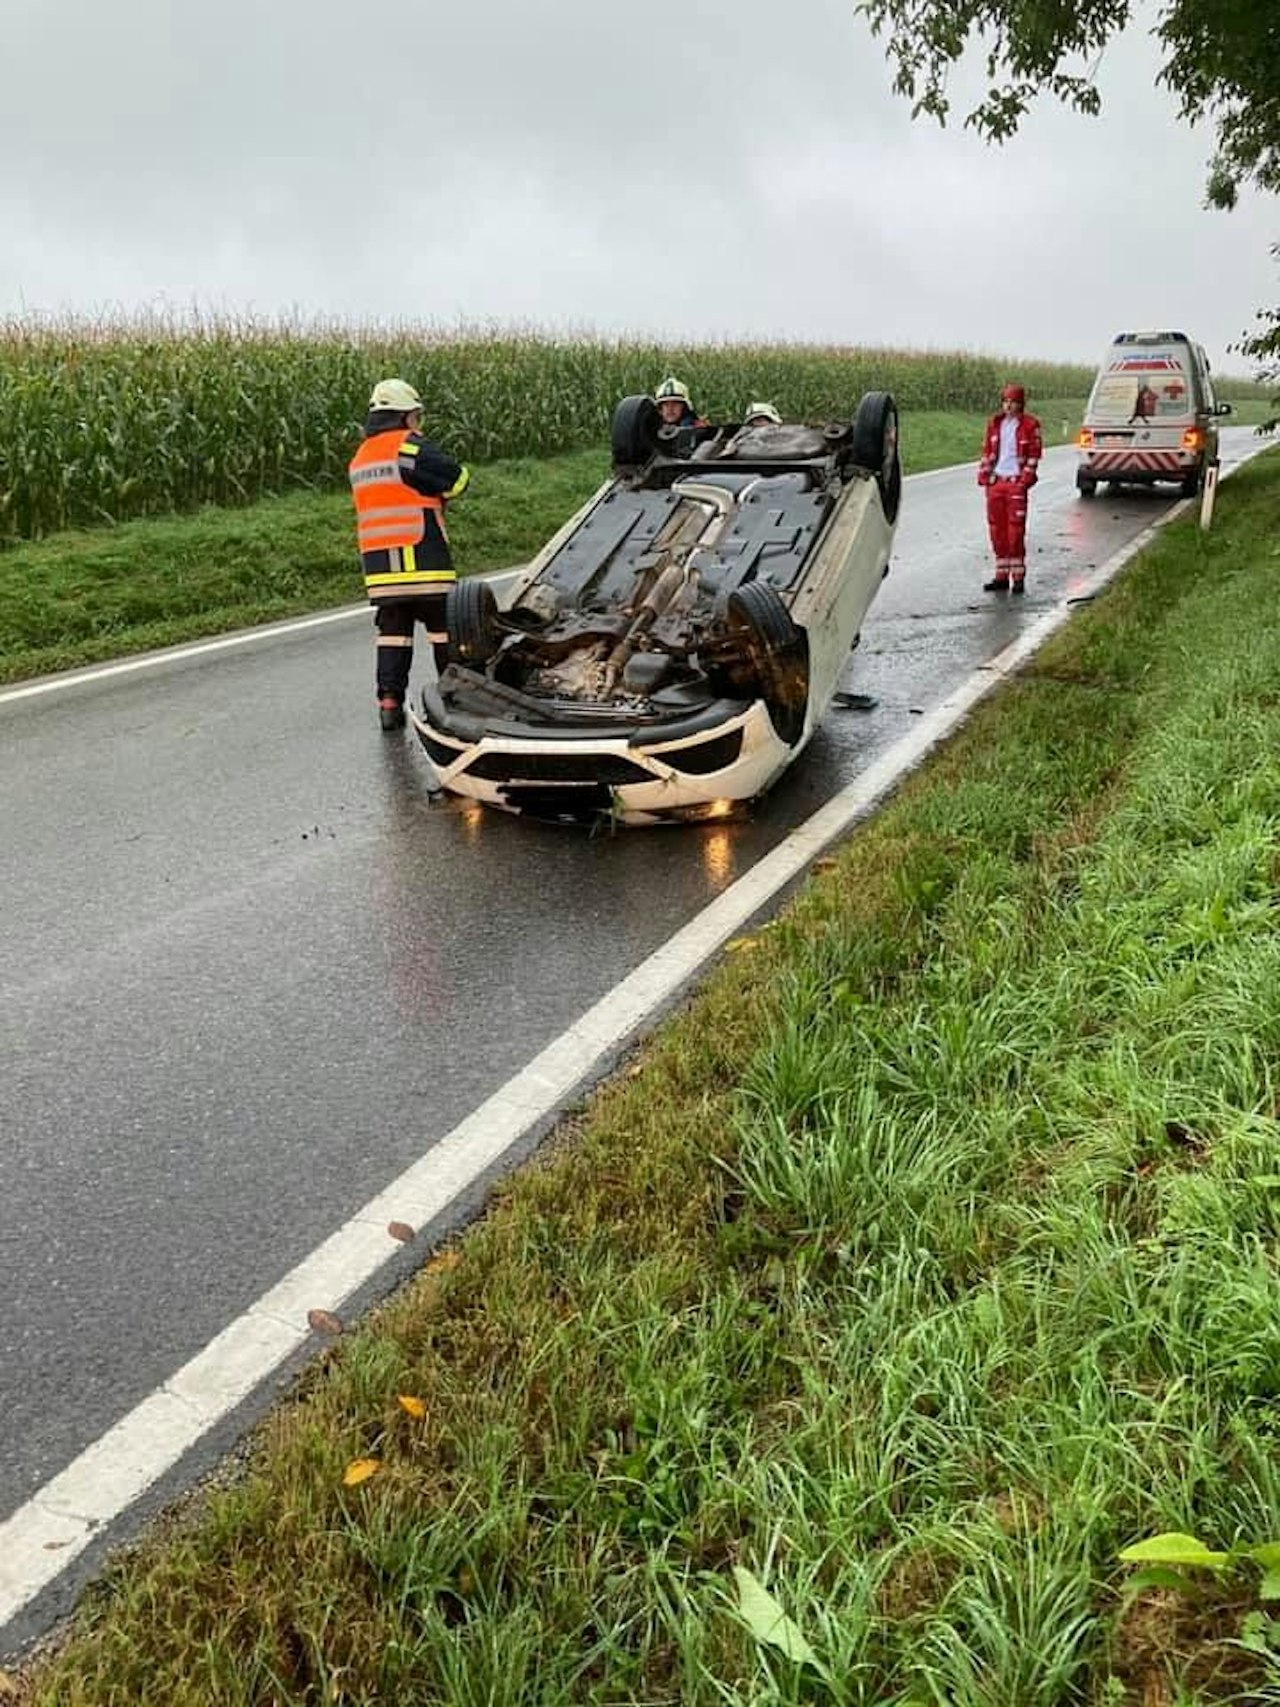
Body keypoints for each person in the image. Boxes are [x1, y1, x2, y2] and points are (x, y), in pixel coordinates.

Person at [348, 378, 471, 730]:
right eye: (416, 416)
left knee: (392, 635)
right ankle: (454, 700)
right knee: (443, 630)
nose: (418, 423)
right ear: (404, 416)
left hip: (381, 569)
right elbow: (457, 479)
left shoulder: (361, 456)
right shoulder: (408, 449)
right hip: (423, 560)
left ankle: (389, 704)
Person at [976, 382, 1043, 595]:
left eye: (1012, 402)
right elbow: (987, 451)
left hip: (1015, 482)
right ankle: (1001, 575)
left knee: (1015, 531)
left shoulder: (1030, 425)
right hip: (997, 482)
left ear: (1020, 404)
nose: (1008, 406)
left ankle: (1019, 577)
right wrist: (986, 476)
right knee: (997, 530)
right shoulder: (995, 423)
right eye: (1005, 401)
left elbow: (1034, 454)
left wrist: (1023, 480)